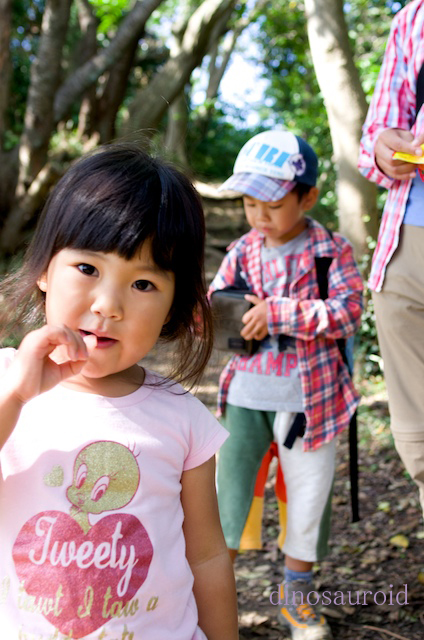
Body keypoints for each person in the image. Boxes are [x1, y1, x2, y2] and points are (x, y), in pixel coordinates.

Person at [0, 143, 239, 639]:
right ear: (44, 269)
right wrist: (16, 398)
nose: (109, 305)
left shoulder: (183, 419)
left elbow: (208, 555)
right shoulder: (7, 383)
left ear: (175, 304)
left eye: (144, 284)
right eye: (88, 269)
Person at [209, 129, 363, 640]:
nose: (259, 216)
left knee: (307, 496)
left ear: (308, 197)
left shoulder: (329, 251)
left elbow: (348, 311)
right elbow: (217, 301)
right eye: (250, 203)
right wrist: (230, 313)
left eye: (272, 204)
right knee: (227, 497)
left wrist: (280, 313)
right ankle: (213, 600)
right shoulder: (243, 250)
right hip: (246, 395)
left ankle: (297, 598)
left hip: (310, 401)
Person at [358, 0, 424, 518]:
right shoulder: (413, 18)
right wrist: (384, 147)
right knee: (419, 441)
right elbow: (376, 137)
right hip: (406, 243)